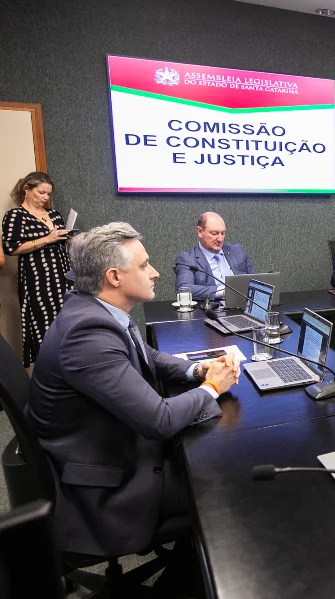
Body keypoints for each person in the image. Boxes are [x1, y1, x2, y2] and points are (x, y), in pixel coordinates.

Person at [27, 222, 238, 557]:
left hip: (108, 448)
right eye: (143, 266)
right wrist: (213, 386)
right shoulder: (88, 334)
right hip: (109, 488)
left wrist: (196, 369)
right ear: (114, 276)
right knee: (231, 479)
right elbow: (160, 421)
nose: (154, 273)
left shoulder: (94, 309)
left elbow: (146, 355)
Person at [1, 172, 72, 367]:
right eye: (41, 193)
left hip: (63, 275)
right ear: (27, 190)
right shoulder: (16, 215)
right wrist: (47, 238)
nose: (45, 198)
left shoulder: (54, 214)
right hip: (38, 278)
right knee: (45, 327)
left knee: (67, 324)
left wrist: (67, 237)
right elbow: (11, 247)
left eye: (48, 194)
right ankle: (49, 377)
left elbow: (59, 242)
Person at [174, 212, 256, 300]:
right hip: (211, 310)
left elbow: (256, 282)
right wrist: (223, 292)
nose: (220, 239)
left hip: (243, 306)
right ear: (200, 232)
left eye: (223, 233)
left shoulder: (238, 251)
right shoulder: (188, 259)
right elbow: (183, 289)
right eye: (214, 233)